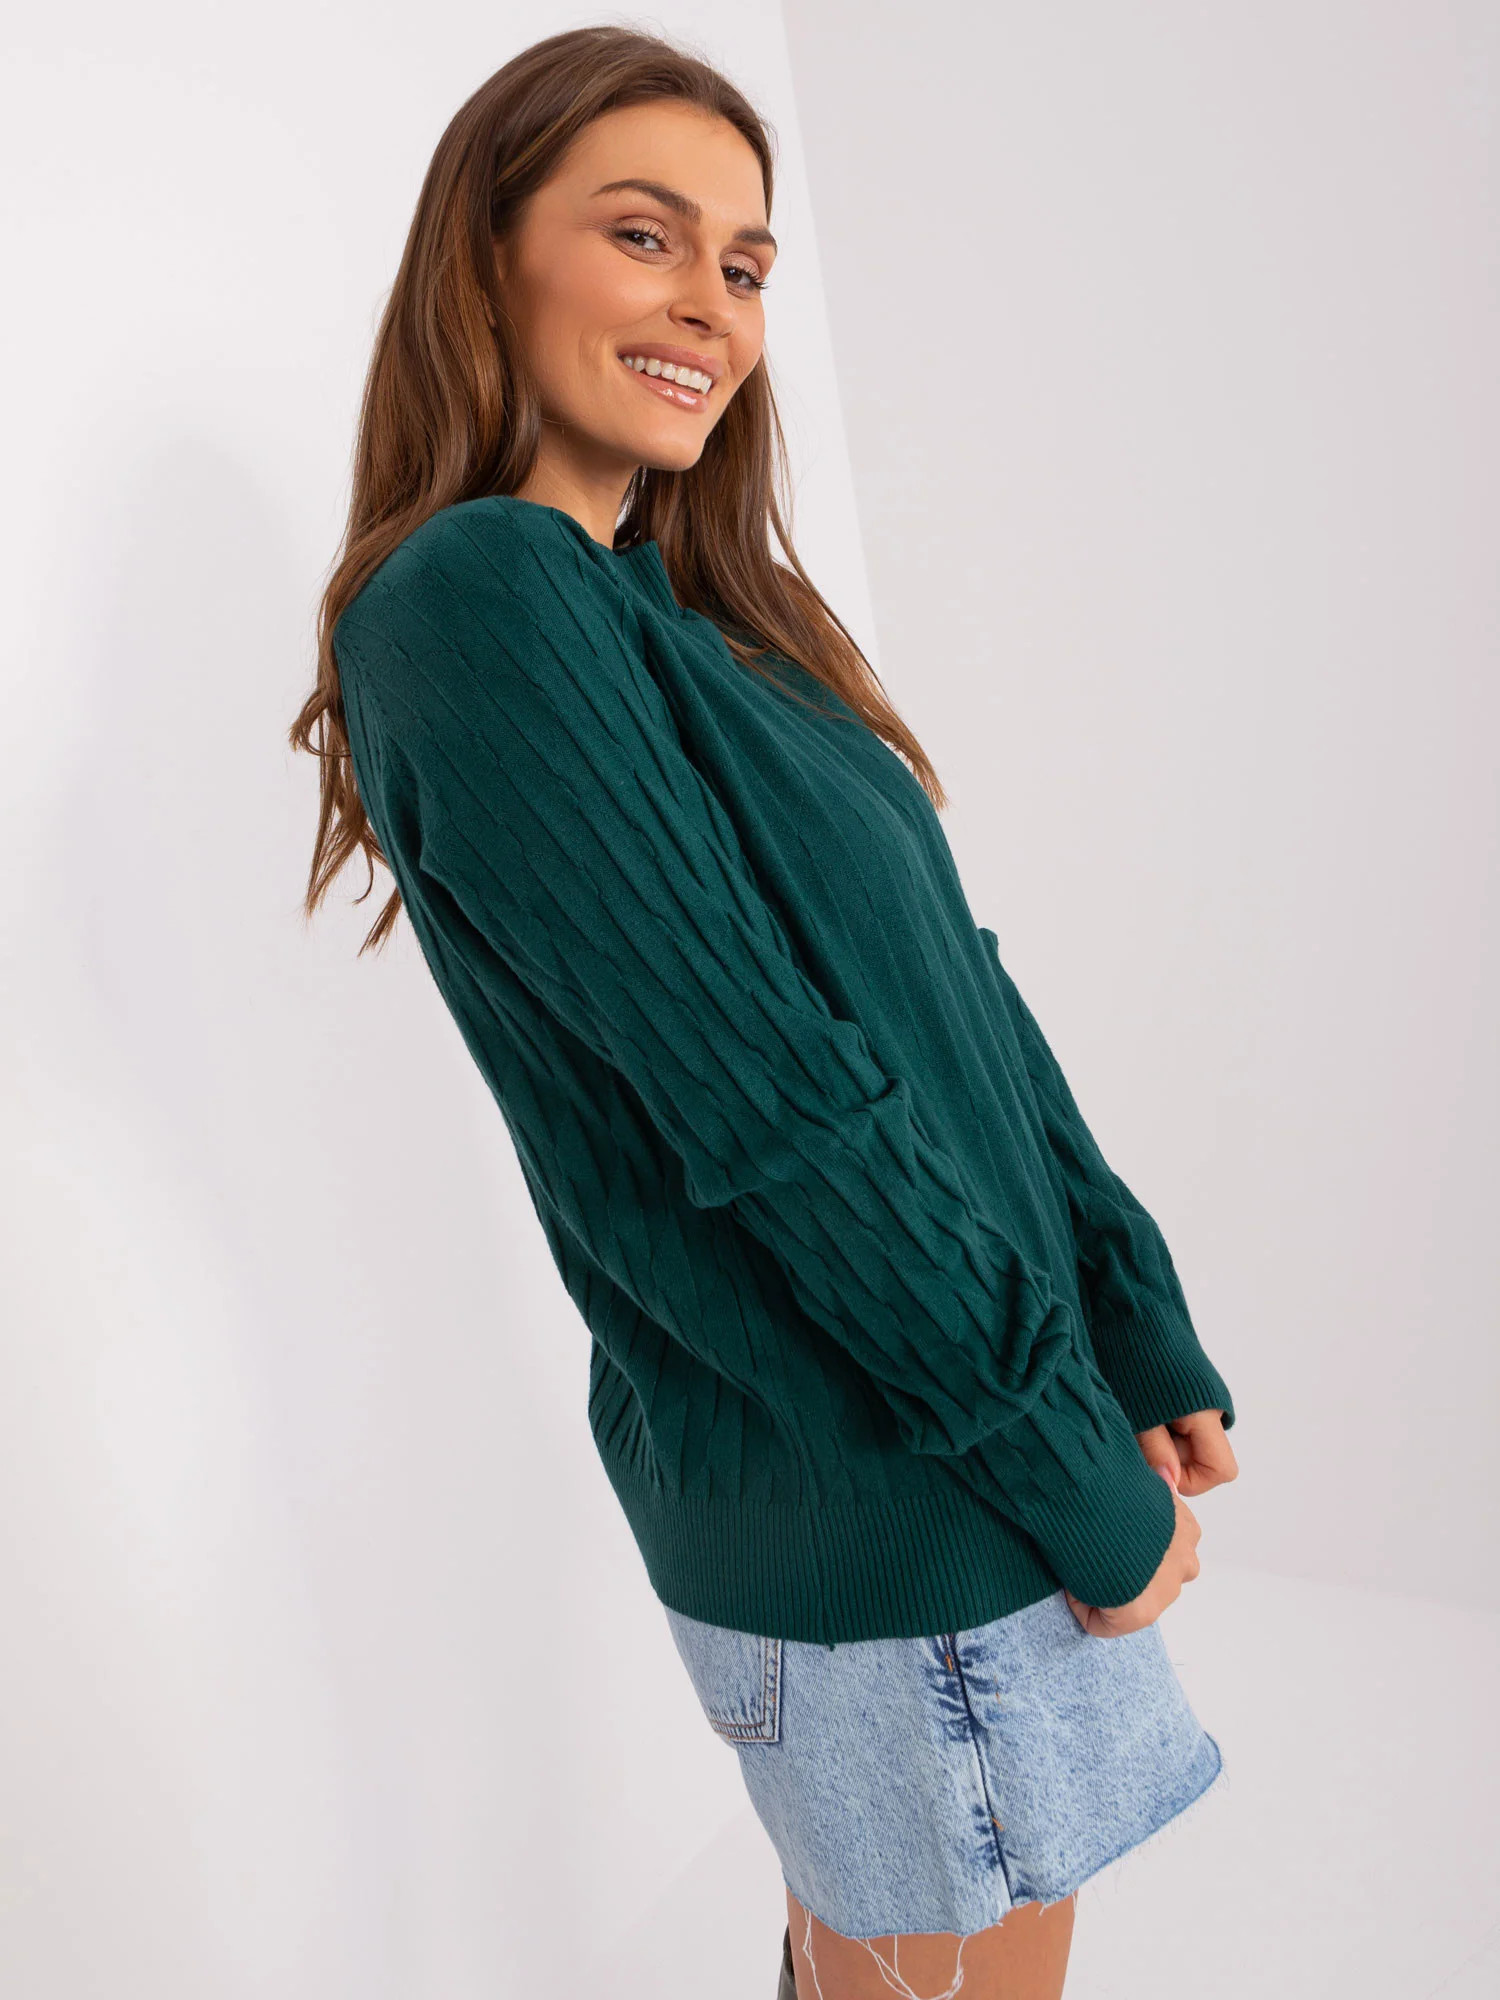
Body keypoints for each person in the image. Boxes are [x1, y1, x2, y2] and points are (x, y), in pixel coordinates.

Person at [289, 25, 1240, 2000]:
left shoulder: (709, 627)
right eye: (645, 237)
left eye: (743, 264)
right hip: (899, 1489)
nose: (711, 307)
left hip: (960, 1441)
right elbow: (778, 1106)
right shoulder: (479, 594)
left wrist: (1127, 1309)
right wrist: (1060, 1465)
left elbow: (959, 995)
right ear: (486, 255)